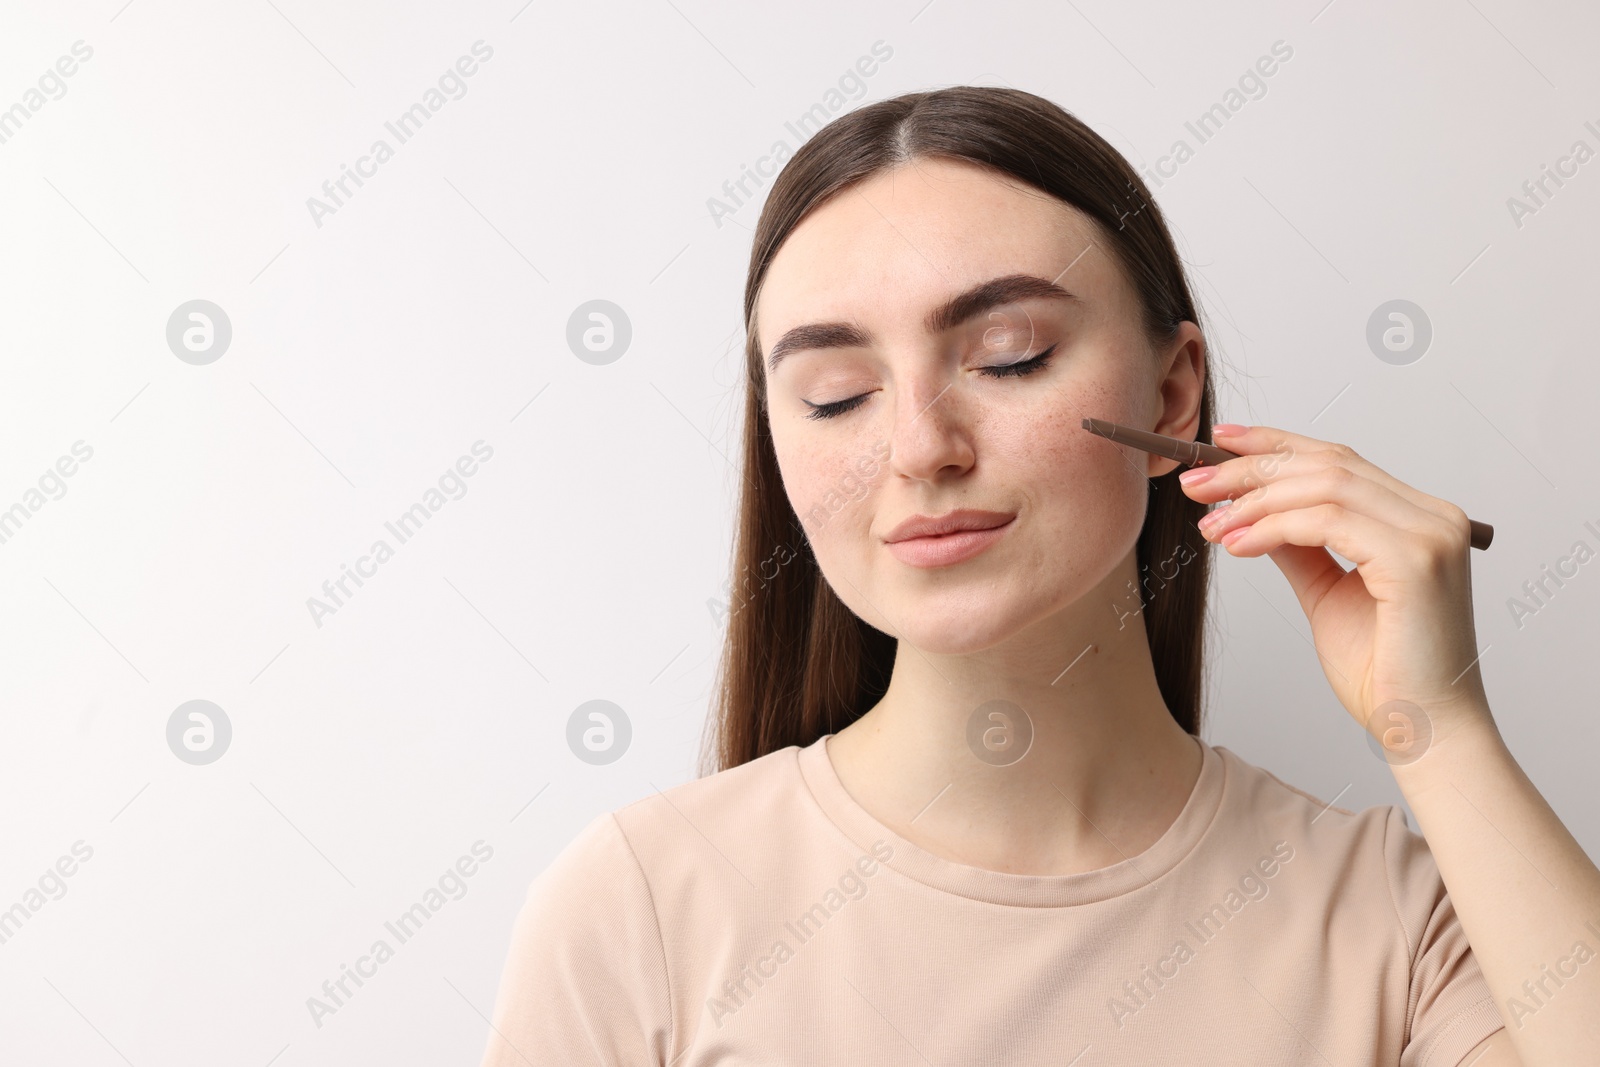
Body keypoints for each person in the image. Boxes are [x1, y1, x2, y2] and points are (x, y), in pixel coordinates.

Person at [478, 86, 1597, 1065]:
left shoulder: (1389, 921)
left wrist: (1437, 725)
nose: (921, 446)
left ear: (1172, 394)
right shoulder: (640, 907)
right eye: (833, 393)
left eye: (1008, 356)